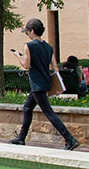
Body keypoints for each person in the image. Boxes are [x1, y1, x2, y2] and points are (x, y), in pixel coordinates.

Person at [8, 19, 80, 150]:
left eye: (27, 32)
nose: (27, 35)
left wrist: (17, 55)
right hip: (45, 82)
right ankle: (21, 138)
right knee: (27, 108)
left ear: (32, 31)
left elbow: (26, 65)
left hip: (37, 83)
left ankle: (70, 139)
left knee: (48, 112)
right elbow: (55, 67)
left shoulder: (29, 46)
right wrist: (59, 86)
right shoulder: (49, 47)